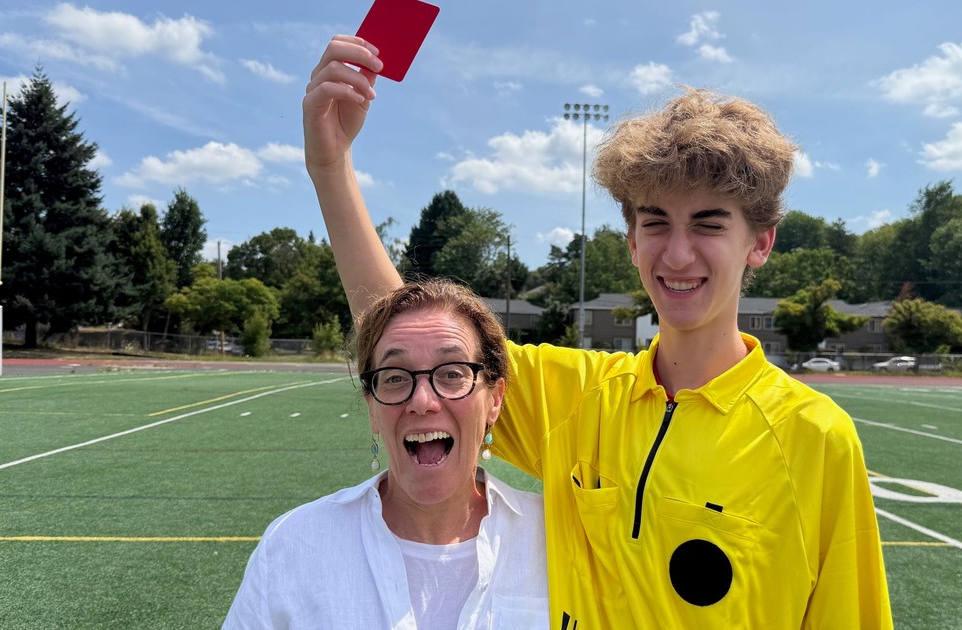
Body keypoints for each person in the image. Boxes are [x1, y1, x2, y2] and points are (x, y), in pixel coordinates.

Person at [304, 34, 893, 628]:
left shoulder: (816, 438)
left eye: (709, 224)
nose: (679, 253)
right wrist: (331, 166)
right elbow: (409, 334)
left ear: (759, 242)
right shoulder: (575, 398)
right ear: (633, 242)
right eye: (655, 222)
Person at [223, 279, 549, 629]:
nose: (423, 401)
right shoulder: (292, 545)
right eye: (395, 377)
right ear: (372, 409)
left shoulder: (553, 540)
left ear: (495, 399)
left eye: (452, 373)